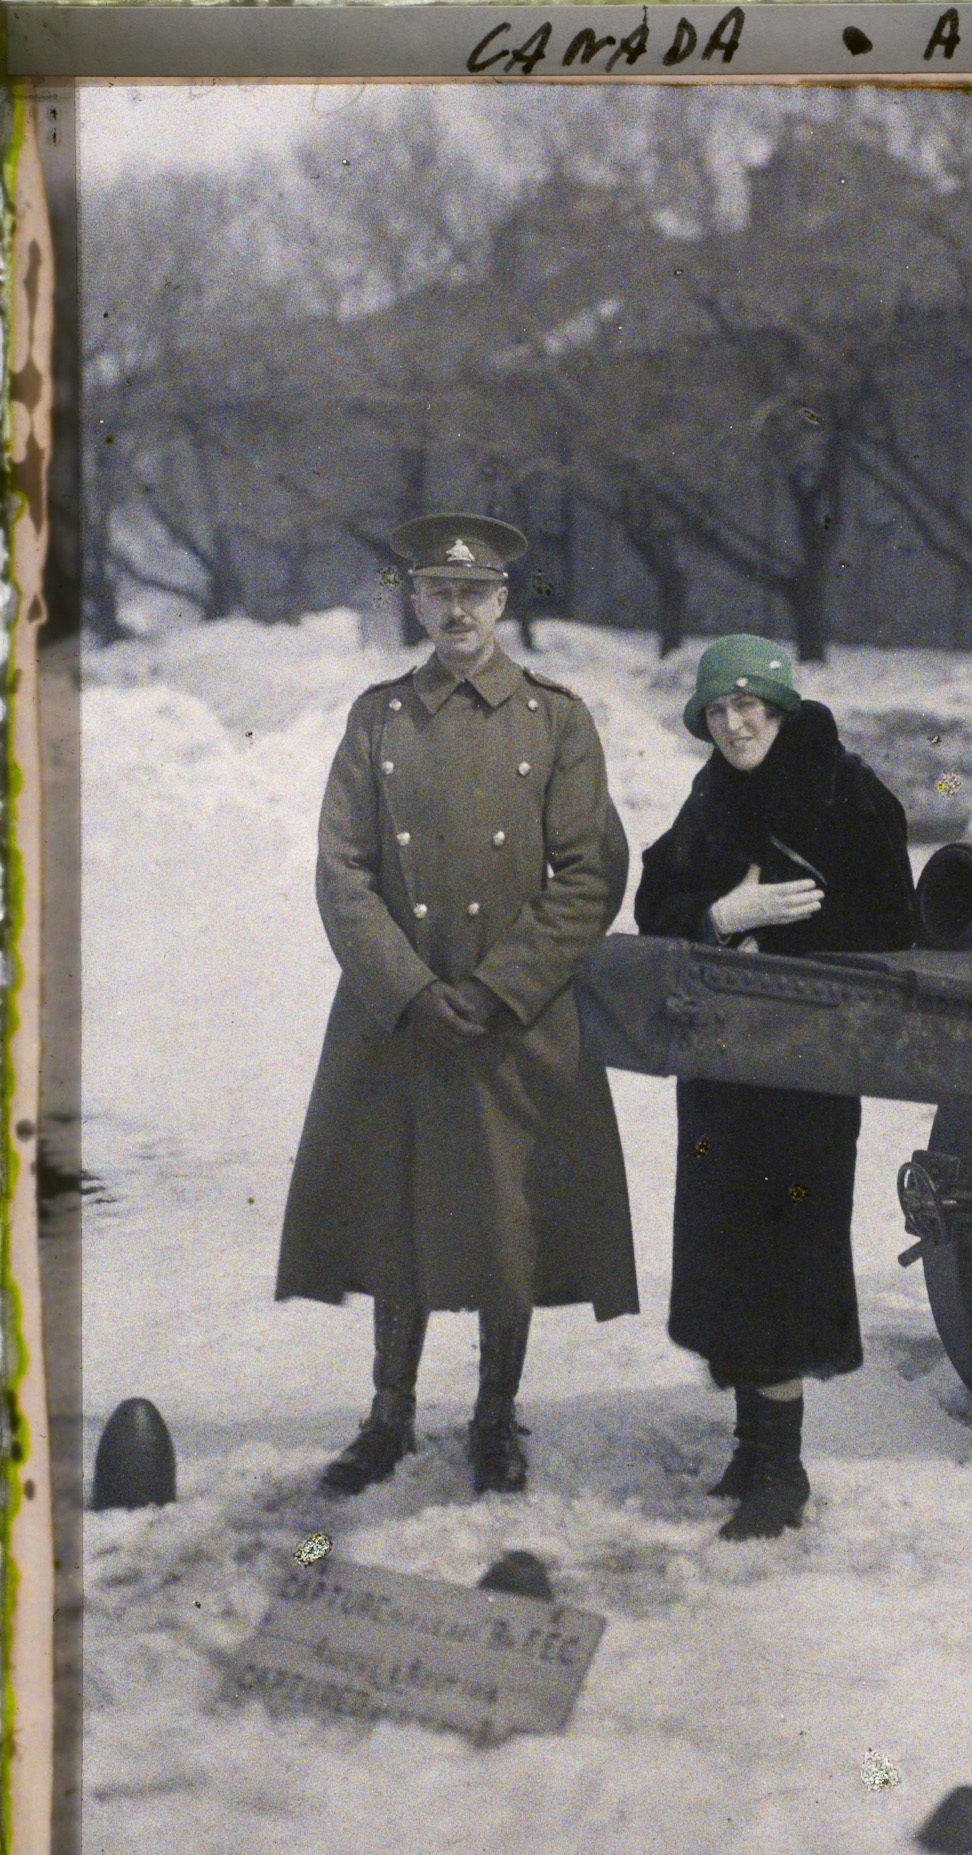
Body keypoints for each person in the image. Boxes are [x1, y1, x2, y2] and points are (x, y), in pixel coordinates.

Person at [276, 514, 638, 1498]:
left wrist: (500, 986)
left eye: (476, 593)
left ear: (503, 603)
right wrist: (409, 990)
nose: (457, 608)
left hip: (512, 1015)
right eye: (438, 590)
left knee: (503, 1216)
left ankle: (493, 1416)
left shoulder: (556, 718)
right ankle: (387, 1412)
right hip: (399, 1014)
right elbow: (341, 872)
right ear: (418, 600)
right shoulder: (378, 716)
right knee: (396, 1213)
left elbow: (588, 874)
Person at [633, 634, 916, 1541]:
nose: (734, 722)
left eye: (749, 705)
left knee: (784, 1248)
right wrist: (722, 916)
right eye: (717, 711)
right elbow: (655, 901)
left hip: (804, 1061)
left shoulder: (848, 791)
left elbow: (894, 928)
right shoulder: (712, 792)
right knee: (723, 1240)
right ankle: (752, 1448)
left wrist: (790, 942)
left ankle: (784, 1469)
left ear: (783, 707)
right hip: (723, 1059)